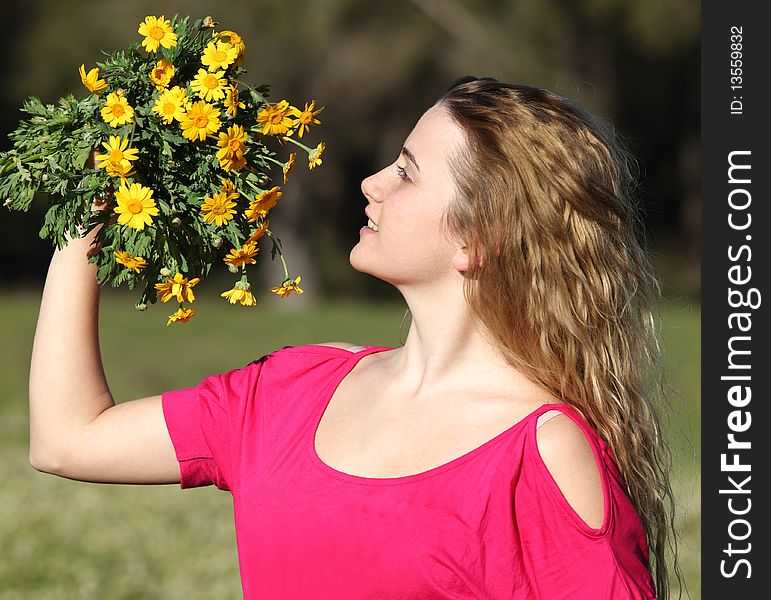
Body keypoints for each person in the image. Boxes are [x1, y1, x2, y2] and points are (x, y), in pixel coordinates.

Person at [29, 77, 678, 599]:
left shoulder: (535, 457)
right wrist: (90, 220)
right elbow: (67, 439)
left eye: (406, 171)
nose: (372, 184)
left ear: (476, 239)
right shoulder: (288, 390)